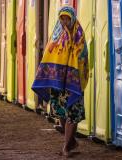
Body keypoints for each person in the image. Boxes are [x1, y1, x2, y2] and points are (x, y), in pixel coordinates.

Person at [32, 6, 89, 157]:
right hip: (58, 82)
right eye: (62, 18)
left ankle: (66, 147)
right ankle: (71, 142)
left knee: (72, 113)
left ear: (72, 18)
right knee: (61, 113)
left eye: (67, 18)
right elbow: (50, 54)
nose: (64, 21)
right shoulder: (57, 35)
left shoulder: (79, 34)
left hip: (73, 82)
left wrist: (71, 47)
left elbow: (82, 55)